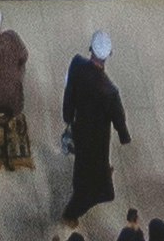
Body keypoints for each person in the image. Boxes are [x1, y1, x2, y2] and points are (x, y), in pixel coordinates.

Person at [59, 39, 129, 225]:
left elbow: (69, 92)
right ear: (108, 56)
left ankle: (96, 177)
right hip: (97, 138)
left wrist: (67, 116)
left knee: (83, 161)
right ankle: (71, 213)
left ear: (91, 49)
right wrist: (124, 136)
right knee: (93, 184)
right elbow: (118, 118)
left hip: (79, 127)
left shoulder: (77, 64)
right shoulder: (110, 91)